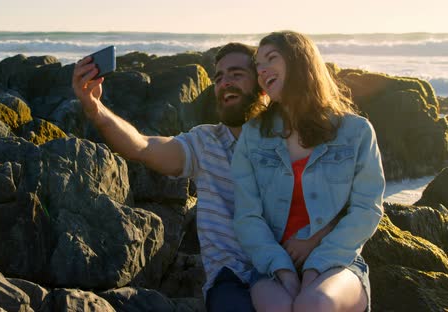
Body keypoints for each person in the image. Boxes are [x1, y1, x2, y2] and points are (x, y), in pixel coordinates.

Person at [72, 42, 332, 311]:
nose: (224, 83)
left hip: (296, 270)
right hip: (232, 280)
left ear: (262, 82)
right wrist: (94, 108)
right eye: (218, 77)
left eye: (236, 74)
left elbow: (342, 199)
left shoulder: (292, 139)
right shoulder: (206, 142)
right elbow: (143, 147)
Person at [231, 31, 385, 312]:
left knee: (313, 304)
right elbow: (247, 216)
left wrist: (314, 267)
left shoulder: (356, 132)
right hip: (272, 267)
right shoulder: (253, 136)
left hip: (339, 262)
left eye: (271, 58)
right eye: (257, 64)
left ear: (299, 62)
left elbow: (366, 209)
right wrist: (285, 272)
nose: (261, 69)